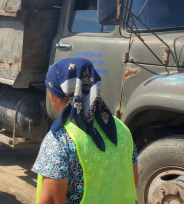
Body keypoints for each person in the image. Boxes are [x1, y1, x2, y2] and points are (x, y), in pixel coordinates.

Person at [32, 58, 138, 204]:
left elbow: (50, 201)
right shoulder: (121, 129)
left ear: (55, 95)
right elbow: (132, 183)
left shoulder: (60, 141)